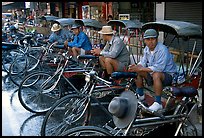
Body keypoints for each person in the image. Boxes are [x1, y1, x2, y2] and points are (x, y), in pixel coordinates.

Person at [128, 29, 178, 112]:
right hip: (153, 73)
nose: (150, 42)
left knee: (156, 74)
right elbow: (143, 62)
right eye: (148, 39)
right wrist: (136, 66)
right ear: (144, 41)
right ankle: (140, 95)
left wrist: (141, 68)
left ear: (157, 39)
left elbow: (159, 68)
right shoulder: (146, 49)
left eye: (153, 39)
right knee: (137, 71)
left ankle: (158, 103)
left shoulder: (163, 49)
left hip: (168, 75)